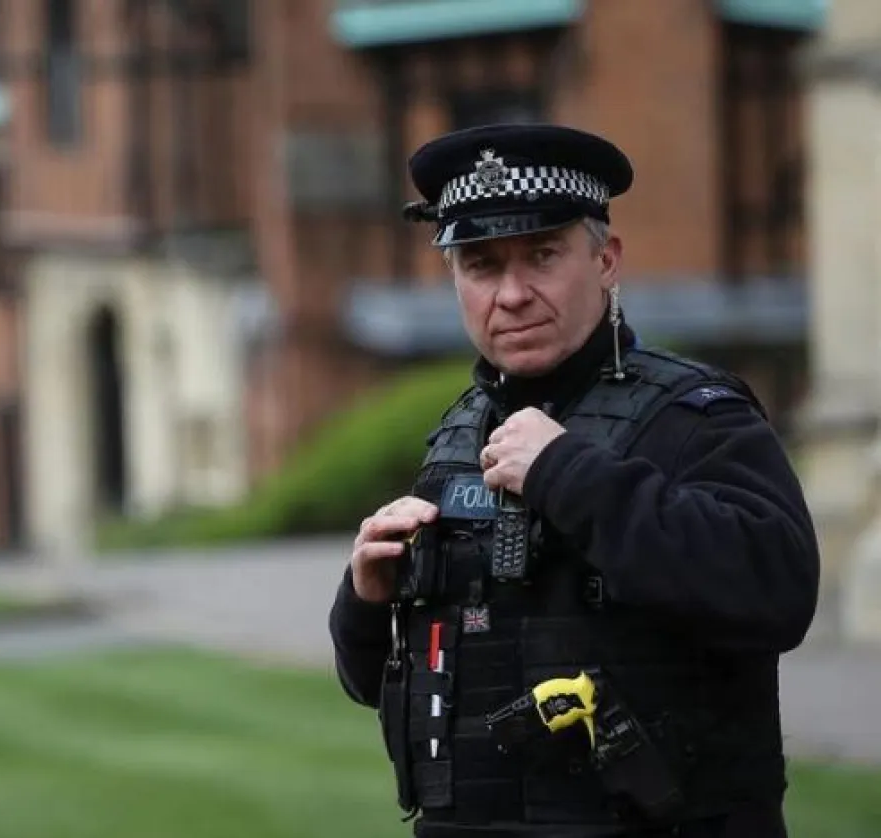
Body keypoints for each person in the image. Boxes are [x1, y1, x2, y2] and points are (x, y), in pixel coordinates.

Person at [328, 124, 820, 838]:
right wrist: (367, 603)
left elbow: (778, 592)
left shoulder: (695, 416)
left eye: (543, 255)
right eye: (481, 264)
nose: (513, 293)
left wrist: (568, 475)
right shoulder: (457, 437)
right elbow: (395, 686)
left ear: (606, 259)